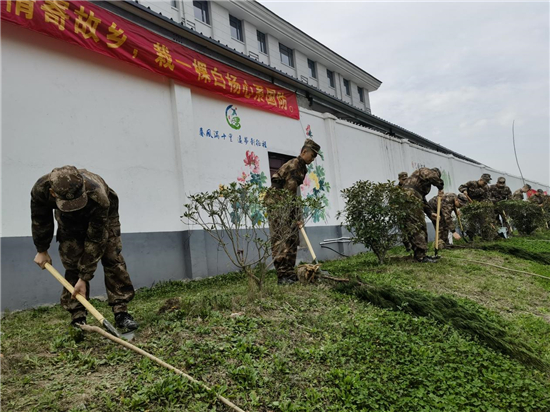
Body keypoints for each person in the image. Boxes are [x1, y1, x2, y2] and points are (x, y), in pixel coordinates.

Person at [31, 166, 138, 330]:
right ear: (53, 193)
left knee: (112, 257)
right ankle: (78, 317)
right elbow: (40, 219)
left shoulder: (98, 195)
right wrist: (42, 249)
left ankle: (121, 312)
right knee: (72, 264)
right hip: (67, 220)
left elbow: (96, 239)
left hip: (103, 216)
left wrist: (85, 277)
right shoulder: (41, 190)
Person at [268, 139, 320, 284]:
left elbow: (295, 193)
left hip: (287, 205)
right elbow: (288, 192)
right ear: (304, 152)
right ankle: (282, 276)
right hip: (278, 206)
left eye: (316, 156)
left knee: (292, 240)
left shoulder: (302, 167)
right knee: (281, 241)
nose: (313, 159)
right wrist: (293, 215)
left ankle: (290, 274)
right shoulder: (294, 166)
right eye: (312, 155)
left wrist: (296, 216)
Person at [401, 167, 444, 263]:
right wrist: (440, 187)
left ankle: (419, 254)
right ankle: (421, 256)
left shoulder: (419, 183)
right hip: (410, 199)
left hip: (408, 199)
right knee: (419, 226)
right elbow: (433, 177)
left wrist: (430, 213)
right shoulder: (425, 171)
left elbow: (422, 199)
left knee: (413, 225)